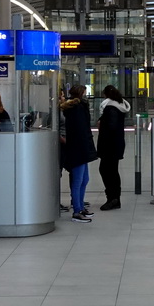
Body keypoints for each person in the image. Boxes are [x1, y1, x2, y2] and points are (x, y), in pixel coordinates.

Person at [61, 85, 97, 222]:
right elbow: (81, 131)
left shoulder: (75, 108)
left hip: (79, 149)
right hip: (78, 149)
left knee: (84, 179)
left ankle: (80, 207)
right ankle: (77, 210)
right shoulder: (77, 109)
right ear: (82, 93)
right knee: (78, 181)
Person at [97, 85, 129, 211]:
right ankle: (114, 198)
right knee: (111, 170)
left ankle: (113, 198)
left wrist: (102, 123)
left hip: (110, 145)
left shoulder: (110, 109)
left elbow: (111, 127)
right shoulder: (118, 106)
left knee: (107, 170)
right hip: (115, 144)